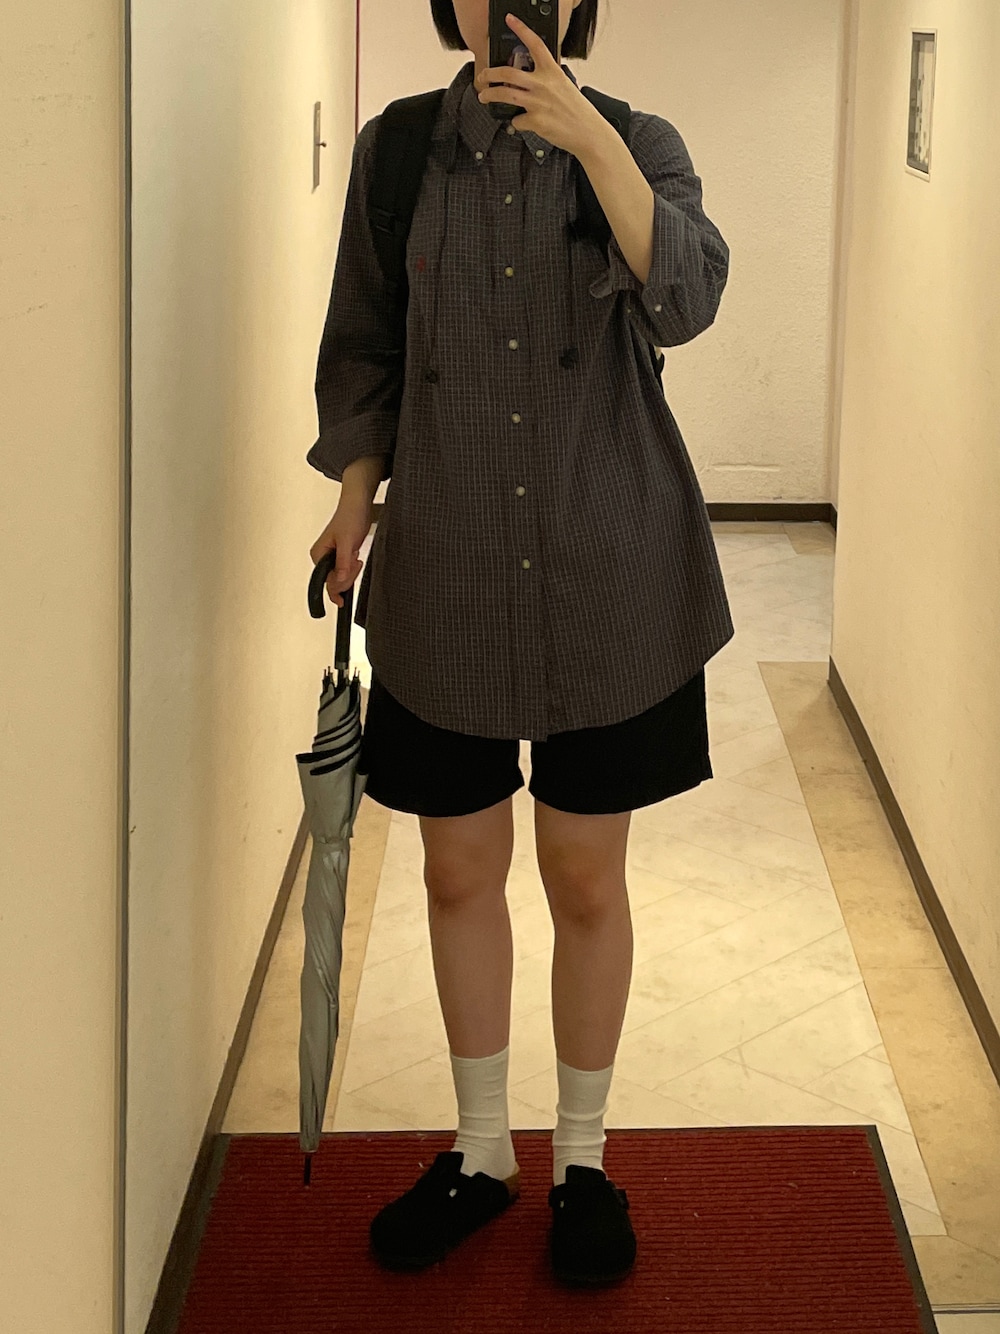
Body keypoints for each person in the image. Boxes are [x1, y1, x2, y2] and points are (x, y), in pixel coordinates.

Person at [307, 0, 734, 1288]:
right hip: (448, 566)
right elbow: (365, 344)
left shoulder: (642, 142)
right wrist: (354, 500)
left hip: (611, 570)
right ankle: (483, 1148)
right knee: (457, 871)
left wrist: (587, 138)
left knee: (585, 878)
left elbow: (688, 296)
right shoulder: (398, 154)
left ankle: (582, 1162)